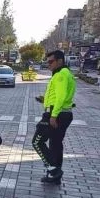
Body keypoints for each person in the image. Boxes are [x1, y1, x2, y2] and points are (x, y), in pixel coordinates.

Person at [32, 50, 75, 185]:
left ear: (60, 61)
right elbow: (61, 96)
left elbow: (61, 97)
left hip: (56, 114)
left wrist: (53, 115)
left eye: (51, 61)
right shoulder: (65, 73)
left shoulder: (61, 75)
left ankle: (54, 170)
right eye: (47, 61)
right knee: (55, 145)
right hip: (62, 112)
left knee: (37, 142)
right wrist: (45, 100)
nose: (48, 64)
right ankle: (54, 175)